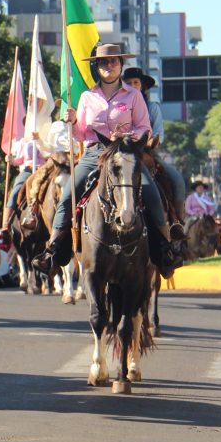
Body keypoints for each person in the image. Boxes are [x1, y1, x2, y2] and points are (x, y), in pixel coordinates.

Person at [34, 43, 183, 275]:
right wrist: (73, 122)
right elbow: (82, 134)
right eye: (104, 62)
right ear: (97, 66)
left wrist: (125, 136)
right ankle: (52, 252)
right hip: (95, 153)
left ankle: (165, 251)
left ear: (121, 65)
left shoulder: (133, 95)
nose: (109, 65)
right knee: (66, 197)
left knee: (152, 194)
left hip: (127, 154)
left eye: (114, 61)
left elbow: (145, 129)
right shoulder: (86, 97)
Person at [123, 67, 186, 217]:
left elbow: (159, 135)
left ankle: (176, 222)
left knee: (177, 180)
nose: (132, 86)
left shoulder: (152, 108)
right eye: (128, 83)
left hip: (147, 154)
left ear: (142, 86)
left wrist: (149, 142)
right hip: (122, 153)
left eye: (136, 82)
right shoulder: (119, 107)